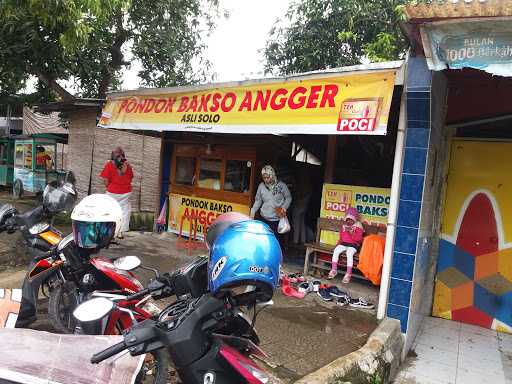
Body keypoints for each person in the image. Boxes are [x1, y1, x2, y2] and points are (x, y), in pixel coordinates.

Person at [250, 165, 292, 244]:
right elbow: (258, 200)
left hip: (276, 219)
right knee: (263, 240)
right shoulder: (261, 186)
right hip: (263, 218)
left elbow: (288, 197)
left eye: (268, 177)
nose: (266, 179)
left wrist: (284, 208)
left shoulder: (281, 186)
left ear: (272, 175)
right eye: (264, 178)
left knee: (275, 241)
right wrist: (253, 210)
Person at [99, 147, 133, 239]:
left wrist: (110, 188)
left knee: (110, 211)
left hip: (112, 192)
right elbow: (130, 178)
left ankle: (109, 232)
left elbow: (105, 180)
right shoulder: (128, 165)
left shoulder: (109, 164)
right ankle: (120, 232)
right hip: (126, 193)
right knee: (124, 212)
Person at [328, 207, 364, 283]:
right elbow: (341, 237)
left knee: (349, 253)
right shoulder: (344, 226)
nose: (349, 221)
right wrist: (338, 244)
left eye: (351, 220)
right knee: (336, 250)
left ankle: (348, 274)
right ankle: (334, 270)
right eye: (348, 219)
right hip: (344, 244)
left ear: (354, 219)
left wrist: (352, 233)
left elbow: (359, 239)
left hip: (354, 245)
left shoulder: (358, 226)